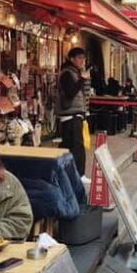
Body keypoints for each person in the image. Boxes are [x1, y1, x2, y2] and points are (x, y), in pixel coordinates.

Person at [56, 47, 91, 178]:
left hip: (75, 114)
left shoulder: (75, 72)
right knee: (76, 146)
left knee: (71, 145)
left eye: (83, 58)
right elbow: (70, 93)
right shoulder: (67, 73)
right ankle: (78, 175)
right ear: (72, 59)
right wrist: (81, 80)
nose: (82, 61)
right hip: (70, 115)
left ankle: (69, 174)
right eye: (80, 58)